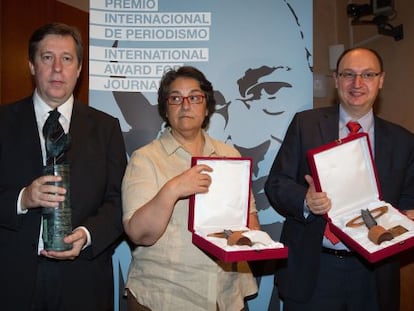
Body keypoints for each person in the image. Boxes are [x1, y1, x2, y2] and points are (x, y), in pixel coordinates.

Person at [265, 47, 414, 311]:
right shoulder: (305, 124)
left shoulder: (404, 141)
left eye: (368, 74)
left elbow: (408, 200)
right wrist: (306, 200)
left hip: (373, 276)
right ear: (336, 80)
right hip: (314, 270)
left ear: (381, 80)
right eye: (349, 74)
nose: (357, 84)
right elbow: (277, 182)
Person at [0, 23, 127, 311]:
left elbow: (119, 201)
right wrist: (22, 198)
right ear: (32, 65)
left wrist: (87, 235)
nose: (57, 68)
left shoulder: (107, 128)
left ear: (79, 68)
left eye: (67, 59)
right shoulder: (2, 122)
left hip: (84, 281)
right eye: (47, 57)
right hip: (11, 281)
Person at [122, 66, 259, 311]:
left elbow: (249, 219)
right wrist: (173, 189)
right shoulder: (145, 159)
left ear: (207, 107)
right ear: (165, 109)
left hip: (226, 295)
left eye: (195, 97)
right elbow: (139, 234)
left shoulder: (229, 155)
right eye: (175, 98)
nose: (185, 105)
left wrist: (252, 240)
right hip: (165, 297)